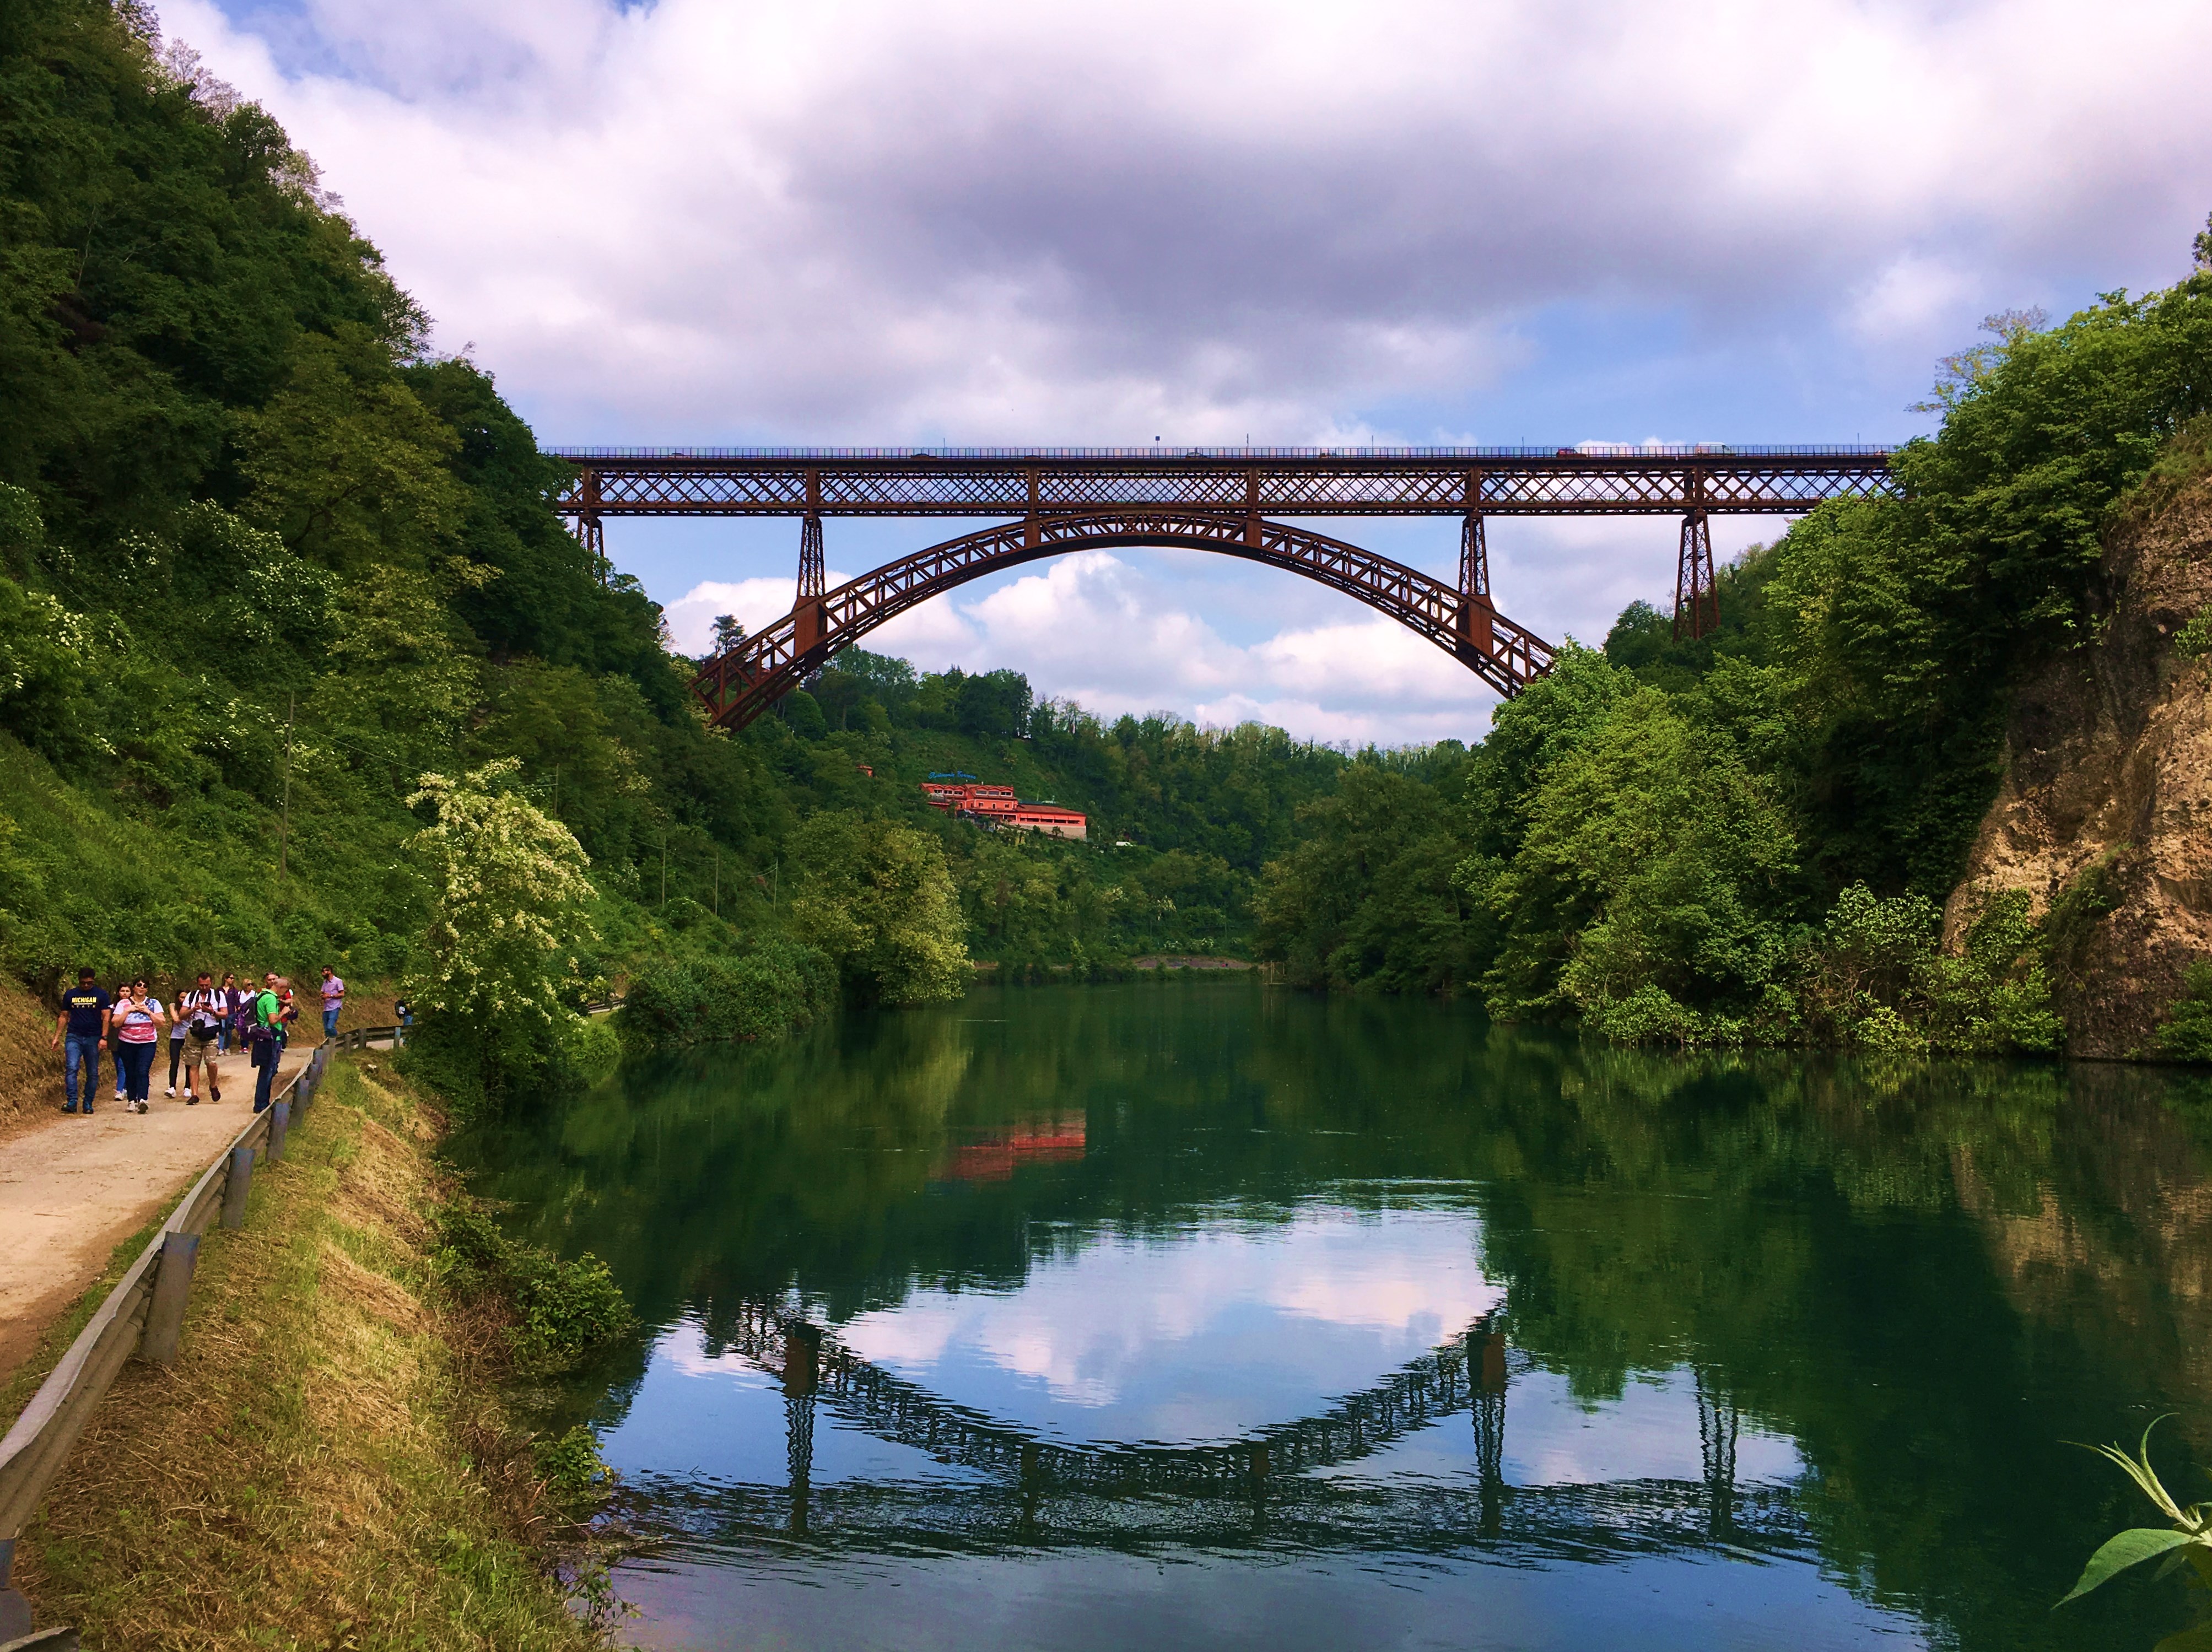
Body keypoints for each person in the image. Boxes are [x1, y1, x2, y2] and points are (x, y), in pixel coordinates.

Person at [52, 967, 111, 1115]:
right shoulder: (71, 994)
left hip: (93, 1037)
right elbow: (64, 1016)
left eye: (89, 983)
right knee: (72, 1068)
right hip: (74, 1036)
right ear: (79, 981)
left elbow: (106, 1017)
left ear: (93, 981)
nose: (86, 986)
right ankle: (72, 1101)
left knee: (92, 1072)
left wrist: (104, 1038)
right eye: (83, 983)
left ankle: (88, 1102)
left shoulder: (101, 995)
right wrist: (57, 1037)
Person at [114, 979, 166, 1114]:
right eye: (139, 985)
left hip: (147, 1043)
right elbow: (116, 1023)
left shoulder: (154, 1003)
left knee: (143, 1070)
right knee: (130, 1071)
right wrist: (128, 1011)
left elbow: (161, 1023)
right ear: (134, 987)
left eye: (145, 986)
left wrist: (149, 1012)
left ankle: (143, 1099)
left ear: (147, 989)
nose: (142, 988)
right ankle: (132, 1100)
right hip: (127, 1043)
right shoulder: (123, 1003)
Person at [177, 971, 226, 1104]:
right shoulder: (192, 996)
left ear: (211, 983)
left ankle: (213, 1085)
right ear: (197, 984)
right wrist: (193, 1009)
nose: (204, 987)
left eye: (207, 985)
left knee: (211, 1063)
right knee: (193, 1065)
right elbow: (181, 1015)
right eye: (201, 985)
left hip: (211, 1032)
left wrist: (212, 1012)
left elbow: (225, 1014)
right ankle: (194, 1094)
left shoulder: (218, 995)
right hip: (194, 1033)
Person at [250, 972, 290, 1114]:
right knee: (268, 1071)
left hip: (264, 1035)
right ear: (282, 988)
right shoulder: (270, 999)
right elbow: (273, 1020)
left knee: (268, 1070)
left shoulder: (262, 995)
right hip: (270, 1037)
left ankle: (262, 1102)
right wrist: (283, 1012)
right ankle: (261, 1104)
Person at [319, 966, 345, 1039]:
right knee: (326, 1029)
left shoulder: (338, 981)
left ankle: (338, 1040)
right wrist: (323, 996)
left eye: (324, 972)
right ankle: (329, 1045)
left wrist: (331, 996)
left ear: (329, 971)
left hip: (335, 1007)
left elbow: (342, 994)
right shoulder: (325, 982)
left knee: (330, 1027)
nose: (322, 974)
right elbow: (322, 993)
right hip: (326, 1007)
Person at [217, 973, 241, 1052]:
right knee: (222, 1029)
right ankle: (220, 1048)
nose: (232, 980)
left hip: (231, 1012)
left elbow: (237, 1001)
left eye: (233, 978)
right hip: (221, 1012)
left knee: (229, 1031)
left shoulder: (234, 990)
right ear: (226, 979)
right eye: (231, 978)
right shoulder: (219, 990)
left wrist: (238, 1008)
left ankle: (227, 1047)